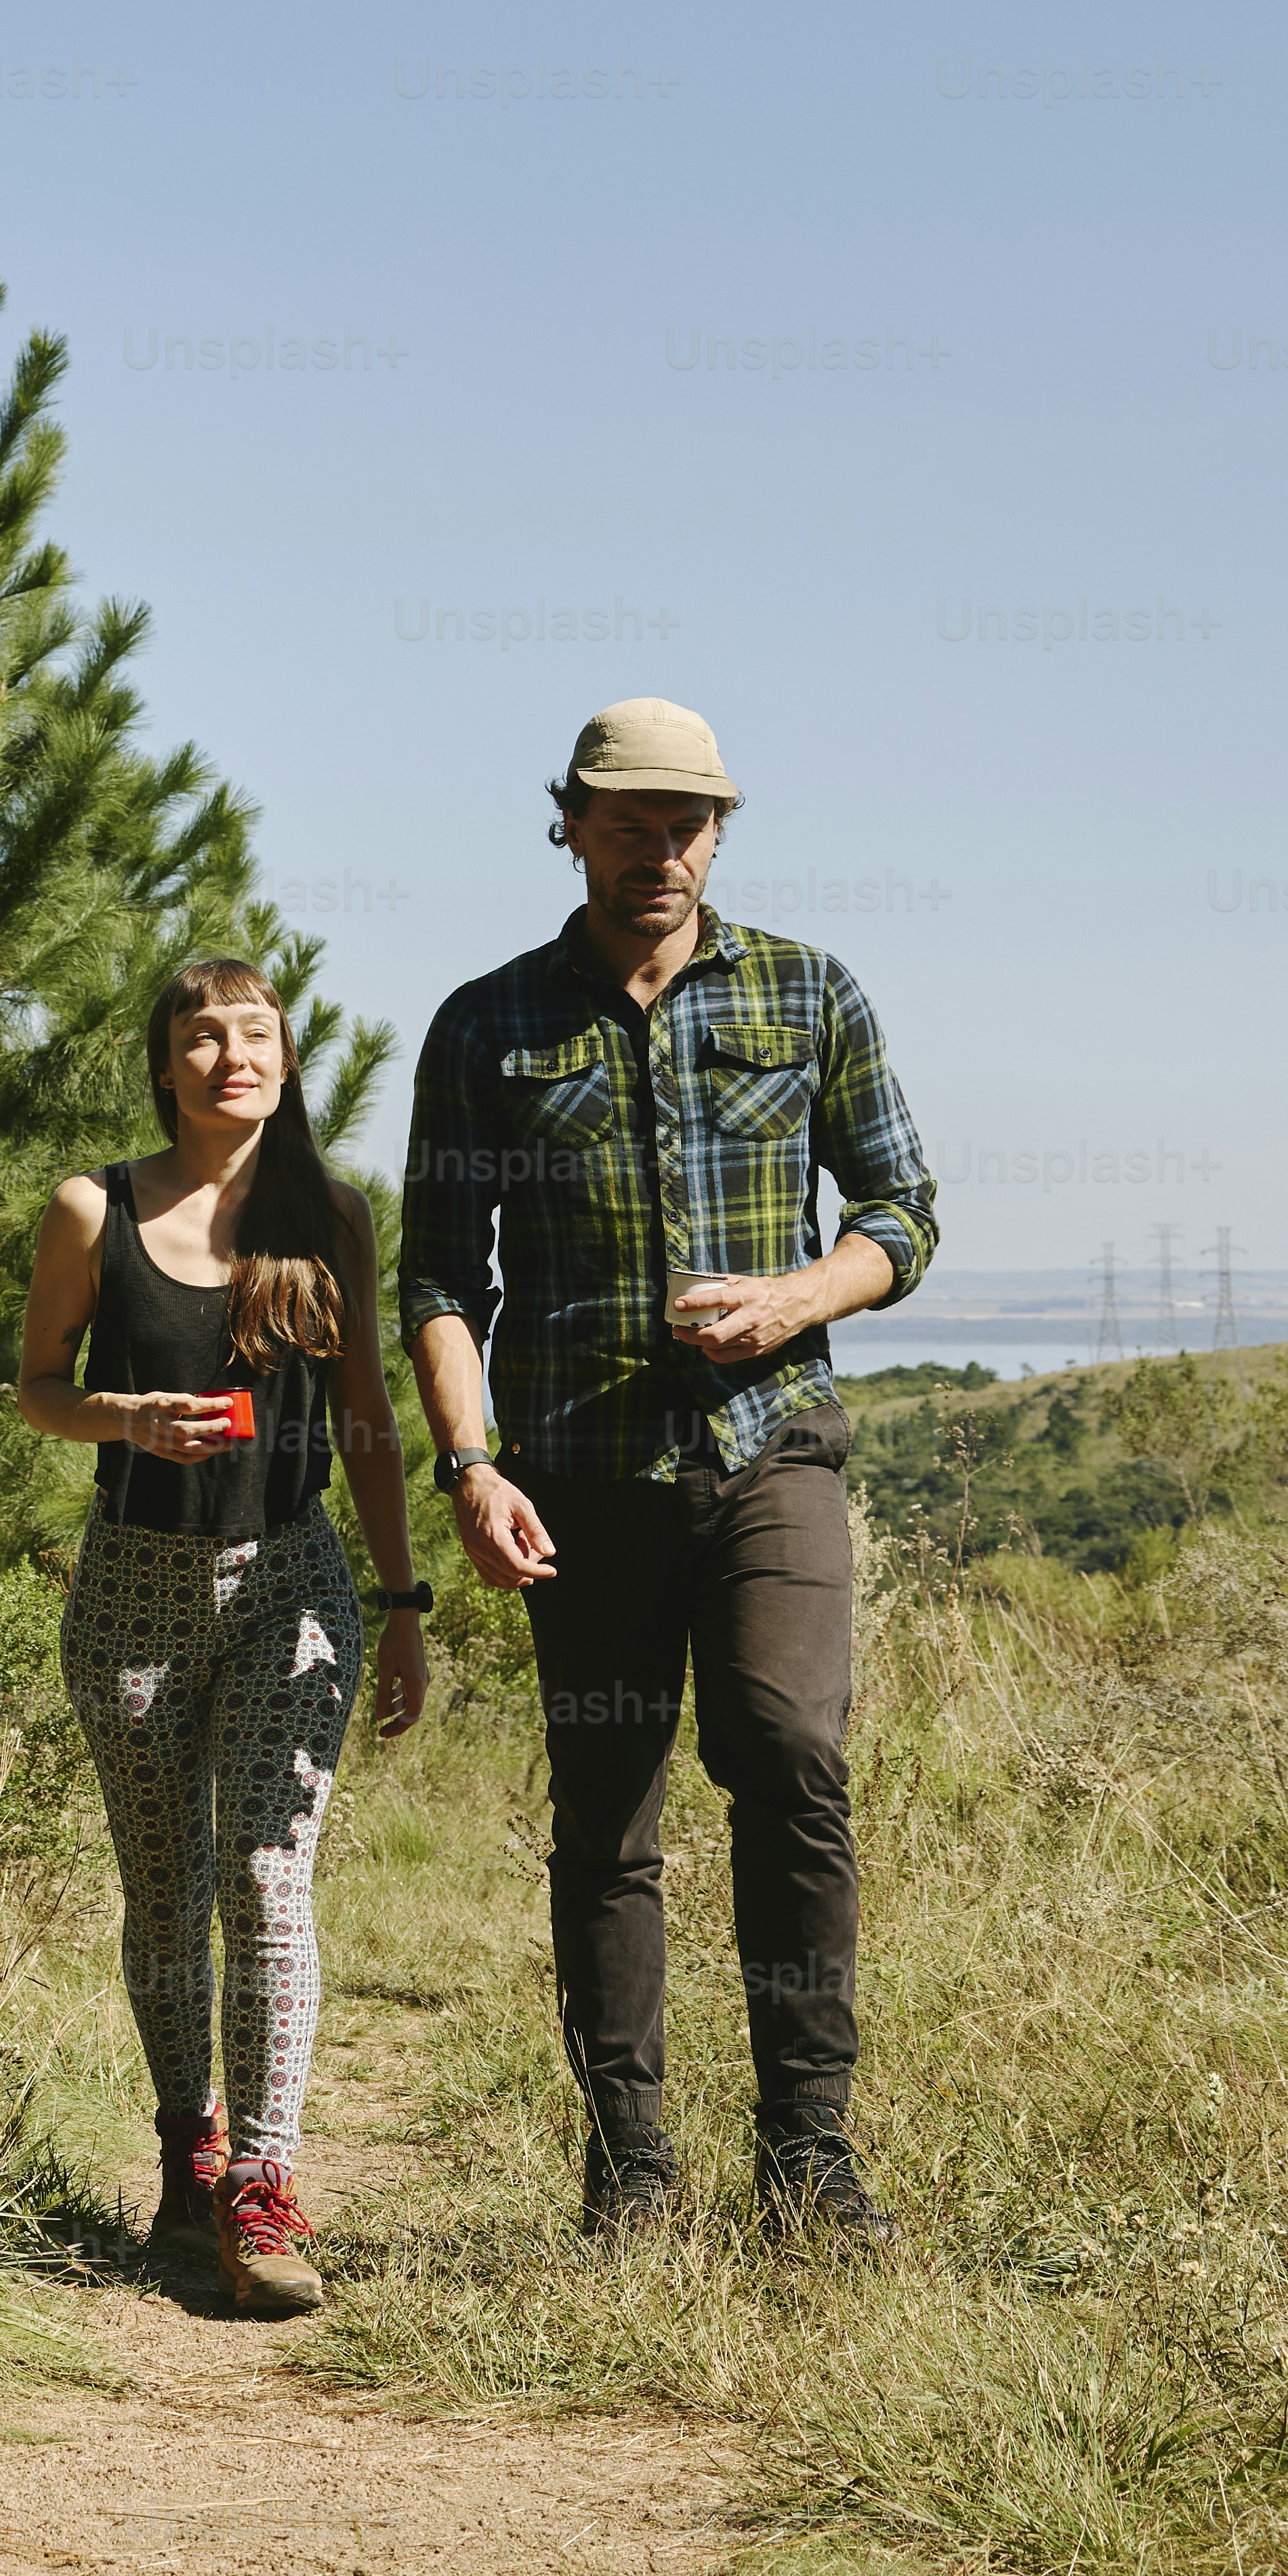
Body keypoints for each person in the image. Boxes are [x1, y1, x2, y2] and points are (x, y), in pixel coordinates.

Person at [395, 699, 940, 2251]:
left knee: (789, 1753)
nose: (660, 847)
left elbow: (901, 1214)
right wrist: (469, 1466)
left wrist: (792, 1300)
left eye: (686, 821)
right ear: (569, 824)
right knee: (605, 1815)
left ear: (720, 832)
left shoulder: (809, 991)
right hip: (576, 1476)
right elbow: (440, 1277)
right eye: (627, 820)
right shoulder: (486, 1023)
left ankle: (808, 2156)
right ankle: (628, 2167)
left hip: (771, 1448)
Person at [12, 957, 432, 2316]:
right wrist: (127, 1418)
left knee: (263, 1872)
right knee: (164, 1891)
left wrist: (402, 1605)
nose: (231, 1054)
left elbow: (367, 1420)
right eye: (203, 1034)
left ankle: (262, 2184)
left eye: (256, 1033)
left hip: (290, 1583)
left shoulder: (330, 1217)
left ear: (286, 1061)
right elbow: (34, 1388)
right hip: (130, 1592)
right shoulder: (93, 1209)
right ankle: (186, 2155)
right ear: (165, 1065)